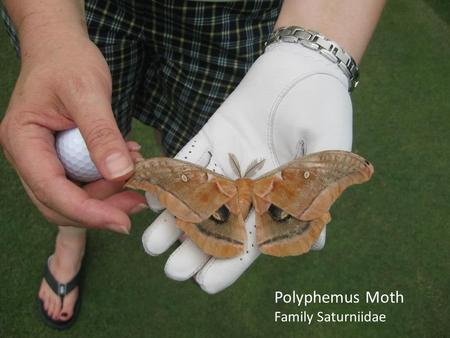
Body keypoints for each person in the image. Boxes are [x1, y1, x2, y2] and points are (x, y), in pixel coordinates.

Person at [0, 0, 385, 329]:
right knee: (83, 140)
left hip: (233, 19)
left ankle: (204, 214)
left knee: (194, 141)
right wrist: (47, 31)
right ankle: (71, 235)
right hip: (88, 11)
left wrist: (313, 54)